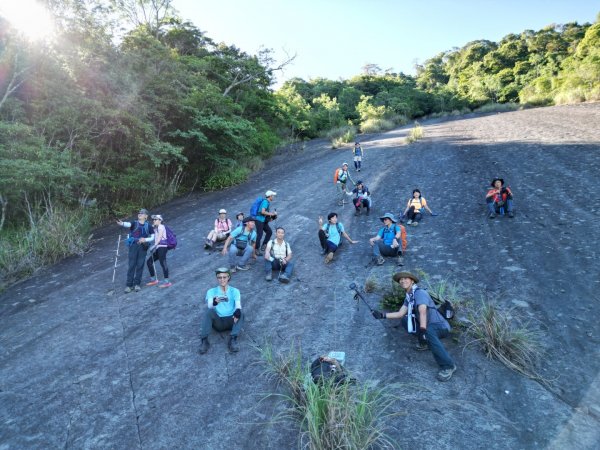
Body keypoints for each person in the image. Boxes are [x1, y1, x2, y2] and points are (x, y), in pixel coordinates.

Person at [372, 272, 457, 382]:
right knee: (405, 320)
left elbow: (423, 312)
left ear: (412, 281)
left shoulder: (419, 293)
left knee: (428, 331)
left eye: (405, 278)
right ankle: (426, 342)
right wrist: (382, 315)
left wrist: (422, 331)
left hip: (440, 326)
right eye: (400, 280)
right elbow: (400, 313)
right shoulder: (409, 297)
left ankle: (448, 366)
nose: (402, 281)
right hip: (428, 325)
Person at [199, 267, 244, 354]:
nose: (222, 279)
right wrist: (215, 302)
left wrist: (237, 311)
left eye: (224, 277)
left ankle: (233, 339)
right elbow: (209, 306)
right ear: (217, 278)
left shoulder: (235, 291)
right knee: (208, 312)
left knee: (241, 312)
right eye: (219, 277)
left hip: (232, 320)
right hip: (219, 322)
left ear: (228, 278)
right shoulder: (211, 291)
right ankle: (204, 340)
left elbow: (238, 305)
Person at [117, 208, 154, 293]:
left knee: (140, 265)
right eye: (139, 213)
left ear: (146, 216)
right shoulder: (134, 223)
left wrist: (145, 240)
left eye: (142, 213)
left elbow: (153, 237)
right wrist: (121, 223)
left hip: (143, 247)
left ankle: (137, 284)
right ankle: (129, 285)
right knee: (132, 265)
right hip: (133, 246)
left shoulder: (148, 226)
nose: (139, 214)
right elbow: (128, 224)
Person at [146, 214, 172, 288]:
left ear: (160, 220)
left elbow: (160, 237)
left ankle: (167, 282)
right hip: (158, 247)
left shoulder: (161, 227)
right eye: (153, 220)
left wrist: (154, 246)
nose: (154, 221)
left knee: (163, 263)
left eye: (155, 219)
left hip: (162, 247)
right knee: (149, 262)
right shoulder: (156, 227)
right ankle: (154, 280)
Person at [254, 190, 277, 255]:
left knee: (269, 232)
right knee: (260, 234)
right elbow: (262, 212)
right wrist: (272, 214)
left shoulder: (267, 202)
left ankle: (264, 245)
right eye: (273, 196)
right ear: (270, 196)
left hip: (263, 220)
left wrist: (273, 216)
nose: (273, 197)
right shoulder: (265, 202)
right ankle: (256, 249)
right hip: (259, 220)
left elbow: (265, 214)